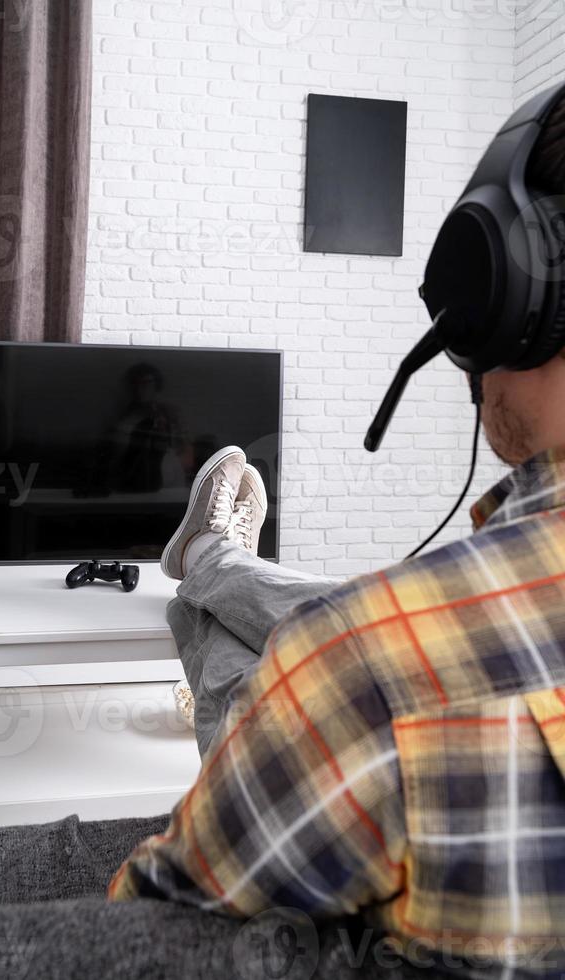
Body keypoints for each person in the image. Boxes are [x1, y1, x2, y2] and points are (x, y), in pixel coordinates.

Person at [107, 95, 565, 978]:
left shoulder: (361, 664)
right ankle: (218, 559)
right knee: (354, 625)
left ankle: (209, 563)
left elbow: (147, 922)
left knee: (314, 651)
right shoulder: (373, 647)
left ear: (503, 287)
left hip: (335, 703)